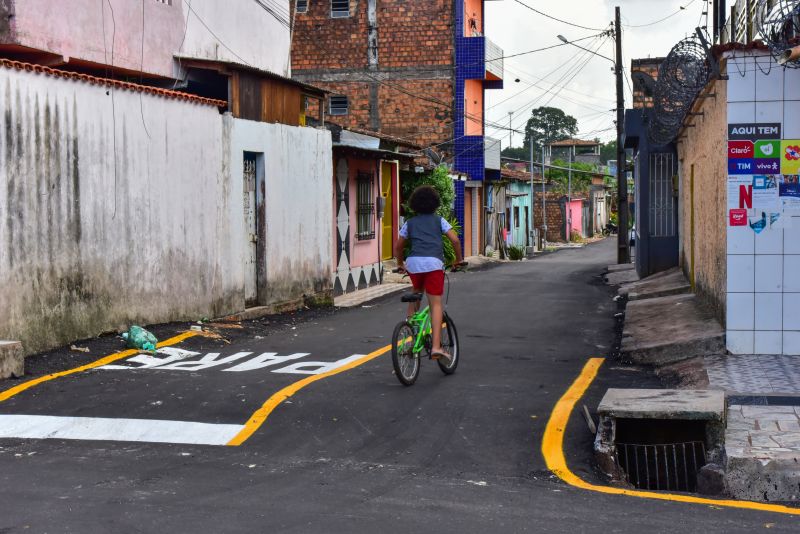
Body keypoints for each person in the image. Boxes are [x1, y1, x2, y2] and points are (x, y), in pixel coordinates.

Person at [393, 185, 464, 362]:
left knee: (416, 292)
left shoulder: (410, 223)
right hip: (433, 263)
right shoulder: (439, 221)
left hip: (414, 263)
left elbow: (399, 246)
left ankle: (410, 331)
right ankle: (436, 347)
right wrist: (459, 260)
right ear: (435, 203)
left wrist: (400, 264)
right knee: (436, 304)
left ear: (415, 204)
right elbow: (455, 240)